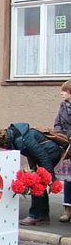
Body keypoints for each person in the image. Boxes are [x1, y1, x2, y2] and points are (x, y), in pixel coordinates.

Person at [0, 123, 64, 225]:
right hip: (47, 154)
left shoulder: (25, 139)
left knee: (36, 184)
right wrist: (33, 169)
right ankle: (42, 216)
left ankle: (35, 216)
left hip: (51, 154)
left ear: (5, 144)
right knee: (38, 183)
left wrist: (51, 177)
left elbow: (42, 156)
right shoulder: (18, 136)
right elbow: (32, 154)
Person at [55, 80, 71, 222]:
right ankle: (67, 210)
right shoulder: (63, 106)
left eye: (65, 91)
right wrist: (62, 137)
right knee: (68, 179)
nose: (62, 93)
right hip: (67, 146)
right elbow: (57, 123)